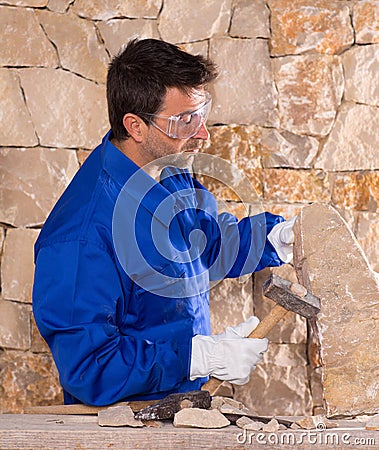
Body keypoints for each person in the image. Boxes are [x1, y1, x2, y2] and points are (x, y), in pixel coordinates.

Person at [32, 38, 295, 406]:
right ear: (136, 127)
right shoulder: (81, 236)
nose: (202, 133)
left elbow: (207, 240)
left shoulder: (167, 168)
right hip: (124, 430)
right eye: (185, 119)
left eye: (201, 113)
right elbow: (90, 368)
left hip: (184, 407)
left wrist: (275, 239)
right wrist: (196, 357)